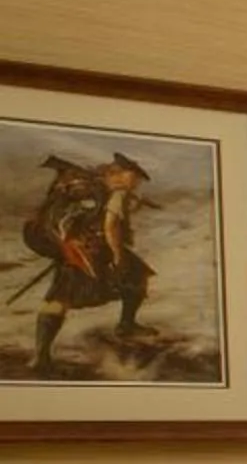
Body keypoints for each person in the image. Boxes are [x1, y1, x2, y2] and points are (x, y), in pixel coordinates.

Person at [22, 151, 153, 377]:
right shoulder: (104, 191)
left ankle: (125, 325)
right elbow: (110, 226)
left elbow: (91, 217)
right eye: (134, 178)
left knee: (62, 295)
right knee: (62, 296)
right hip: (75, 246)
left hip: (66, 242)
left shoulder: (91, 185)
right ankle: (41, 356)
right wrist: (117, 255)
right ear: (119, 174)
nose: (137, 184)